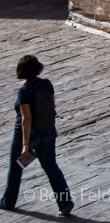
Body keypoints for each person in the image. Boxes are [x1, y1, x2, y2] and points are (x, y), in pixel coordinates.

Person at [0, 55, 74, 216]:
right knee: (51, 167)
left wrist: (26, 146)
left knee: (16, 169)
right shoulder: (47, 84)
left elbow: (26, 119)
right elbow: (52, 106)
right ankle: (65, 202)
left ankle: (8, 201)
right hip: (47, 132)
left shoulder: (24, 91)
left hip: (26, 135)